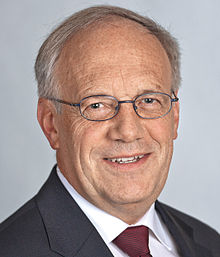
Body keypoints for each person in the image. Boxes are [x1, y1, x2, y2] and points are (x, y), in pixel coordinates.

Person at [0, 5, 219, 257]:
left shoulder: (209, 244)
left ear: (175, 117)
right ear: (51, 124)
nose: (128, 131)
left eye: (149, 100)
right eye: (96, 105)